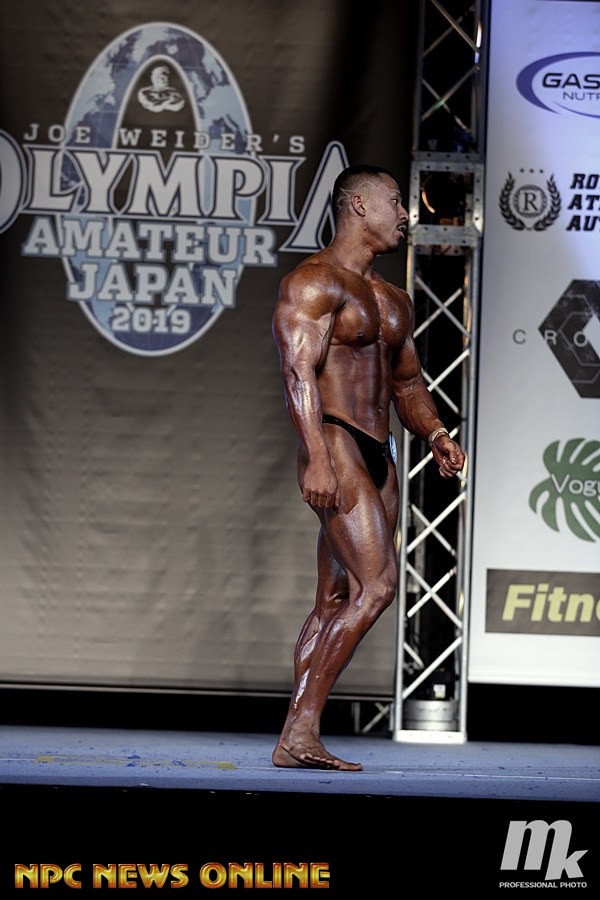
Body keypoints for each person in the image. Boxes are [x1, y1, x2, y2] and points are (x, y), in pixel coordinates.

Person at [271, 163, 466, 771]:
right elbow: (298, 374)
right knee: (378, 587)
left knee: (335, 598)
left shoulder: (392, 299)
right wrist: (315, 455)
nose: (406, 215)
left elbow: (408, 385)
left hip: (381, 450)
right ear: (358, 205)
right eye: (397, 201)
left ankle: (296, 734)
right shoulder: (312, 283)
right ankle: (301, 730)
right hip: (335, 440)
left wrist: (435, 432)